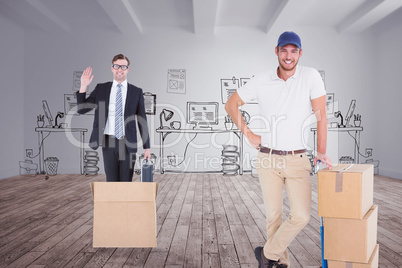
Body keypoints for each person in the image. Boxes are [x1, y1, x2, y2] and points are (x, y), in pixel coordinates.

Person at [225, 31, 333, 268]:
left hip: (297, 159)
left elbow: (321, 115)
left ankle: (266, 254)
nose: (288, 56)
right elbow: (230, 104)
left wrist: (322, 150)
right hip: (268, 159)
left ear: (300, 54)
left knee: (302, 216)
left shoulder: (310, 76)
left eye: (294, 51)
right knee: (274, 217)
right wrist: (248, 133)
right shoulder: (261, 79)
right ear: (276, 51)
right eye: (284, 50)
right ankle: (279, 263)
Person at [77, 54, 151, 182]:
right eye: (117, 66)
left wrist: (147, 147)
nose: (120, 69)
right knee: (111, 181)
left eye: (123, 66)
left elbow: (142, 120)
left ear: (128, 69)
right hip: (108, 142)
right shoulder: (101, 88)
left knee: (126, 181)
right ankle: (113, 203)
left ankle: (125, 203)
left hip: (128, 143)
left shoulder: (136, 91)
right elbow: (82, 109)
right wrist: (83, 87)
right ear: (112, 68)